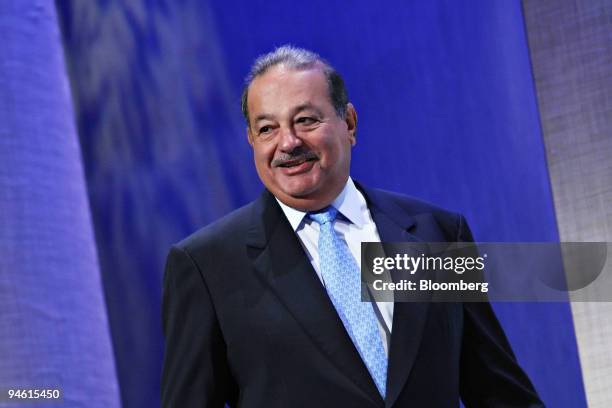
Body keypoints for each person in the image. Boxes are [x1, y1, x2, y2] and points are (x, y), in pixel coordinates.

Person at [161, 45, 543, 407]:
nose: (288, 142)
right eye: (267, 129)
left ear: (349, 123)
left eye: (305, 120)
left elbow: (497, 389)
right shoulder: (206, 266)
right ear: (251, 141)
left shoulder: (436, 234)